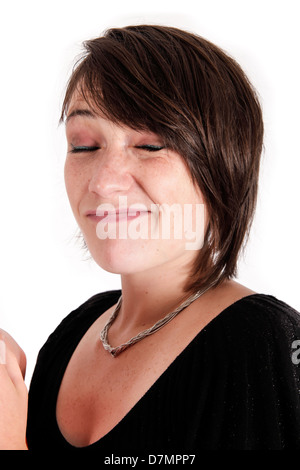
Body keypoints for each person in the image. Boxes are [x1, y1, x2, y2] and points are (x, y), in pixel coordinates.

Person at [1, 24, 300, 451]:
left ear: (223, 162)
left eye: (150, 145)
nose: (104, 183)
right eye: (84, 146)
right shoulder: (72, 335)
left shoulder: (266, 344)